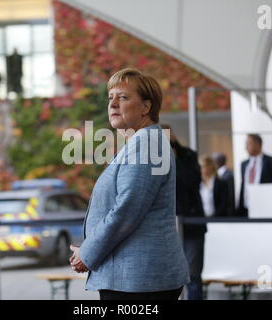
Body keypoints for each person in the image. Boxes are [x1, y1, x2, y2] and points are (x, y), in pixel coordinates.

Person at [69, 68, 189, 300]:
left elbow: (127, 210)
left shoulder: (147, 144)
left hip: (139, 282)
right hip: (135, 279)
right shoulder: (141, 143)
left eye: (123, 97)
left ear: (146, 106)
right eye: (110, 97)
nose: (113, 104)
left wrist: (88, 252)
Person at [161, 123, 206, 300]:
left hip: (191, 223)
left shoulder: (188, 156)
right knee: (168, 278)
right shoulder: (155, 160)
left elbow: (192, 182)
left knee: (193, 275)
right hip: (168, 226)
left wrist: (174, 155)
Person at [237, 134, 272, 217]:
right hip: (246, 209)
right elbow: (243, 186)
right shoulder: (244, 164)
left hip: (268, 208)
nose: (246, 147)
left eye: (248, 144)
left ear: (258, 144)